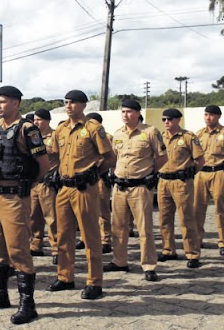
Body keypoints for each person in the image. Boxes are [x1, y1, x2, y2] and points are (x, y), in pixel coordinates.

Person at [0, 86, 50, 325]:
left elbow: (43, 165)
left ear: (16, 104)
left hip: (15, 198)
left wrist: (26, 185)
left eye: (3, 102)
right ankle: (0, 294)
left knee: (18, 250)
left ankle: (28, 305)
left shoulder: (27, 129)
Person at [49, 90, 115, 300]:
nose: (69, 106)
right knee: (64, 235)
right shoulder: (60, 129)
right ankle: (65, 277)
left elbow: (110, 157)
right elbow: (53, 156)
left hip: (84, 188)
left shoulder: (92, 128)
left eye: (73, 103)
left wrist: (95, 173)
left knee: (90, 236)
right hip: (64, 188)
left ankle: (94, 282)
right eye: (66, 102)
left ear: (84, 105)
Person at [106, 99, 167, 282]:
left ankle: (149, 265)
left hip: (140, 187)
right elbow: (113, 158)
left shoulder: (150, 132)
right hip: (119, 186)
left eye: (129, 112)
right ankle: (119, 261)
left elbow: (162, 157)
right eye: (123, 111)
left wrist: (150, 173)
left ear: (138, 113)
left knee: (144, 228)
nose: (126, 115)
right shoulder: (117, 134)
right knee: (118, 227)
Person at [157, 108, 205, 268]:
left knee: (186, 218)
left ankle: (192, 253)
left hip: (181, 182)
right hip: (163, 181)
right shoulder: (160, 137)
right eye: (164, 119)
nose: (166, 122)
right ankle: (168, 249)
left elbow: (200, 160)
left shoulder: (188, 137)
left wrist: (191, 172)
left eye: (169, 119)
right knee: (164, 218)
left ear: (178, 120)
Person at [194, 105, 224, 256]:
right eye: (206, 114)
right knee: (197, 208)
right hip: (201, 174)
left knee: (220, 208)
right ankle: (197, 239)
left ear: (219, 116)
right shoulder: (199, 134)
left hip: (218, 173)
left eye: (212, 115)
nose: (208, 118)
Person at [29, 108, 60, 265]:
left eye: (39, 120)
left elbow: (61, 156)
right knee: (34, 217)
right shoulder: (33, 137)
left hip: (48, 183)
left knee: (52, 218)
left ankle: (56, 249)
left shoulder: (54, 136)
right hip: (34, 182)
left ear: (47, 120)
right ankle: (36, 244)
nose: (36, 123)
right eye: (34, 120)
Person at [86, 112, 114, 254]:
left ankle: (105, 239)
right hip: (87, 179)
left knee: (103, 210)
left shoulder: (107, 137)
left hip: (100, 177)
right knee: (88, 211)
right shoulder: (84, 135)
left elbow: (111, 158)